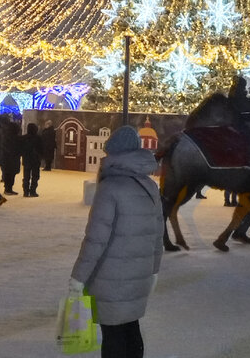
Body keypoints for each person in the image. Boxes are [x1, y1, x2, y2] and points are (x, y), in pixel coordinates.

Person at [69, 126, 162, 358]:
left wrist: (78, 277)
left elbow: (95, 239)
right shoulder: (149, 186)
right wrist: (153, 271)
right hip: (138, 275)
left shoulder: (110, 188)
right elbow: (159, 235)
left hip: (111, 277)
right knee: (130, 328)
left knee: (113, 335)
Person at [19, 122, 42, 197]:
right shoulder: (38, 138)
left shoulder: (24, 138)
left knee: (26, 176)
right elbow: (41, 149)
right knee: (35, 176)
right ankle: (33, 191)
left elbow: (21, 148)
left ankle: (25, 191)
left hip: (26, 159)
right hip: (35, 160)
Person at [0, 117, 21, 195]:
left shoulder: (5, 136)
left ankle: (8, 188)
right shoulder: (16, 138)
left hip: (6, 158)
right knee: (11, 174)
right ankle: (8, 189)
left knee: (8, 173)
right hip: (12, 159)